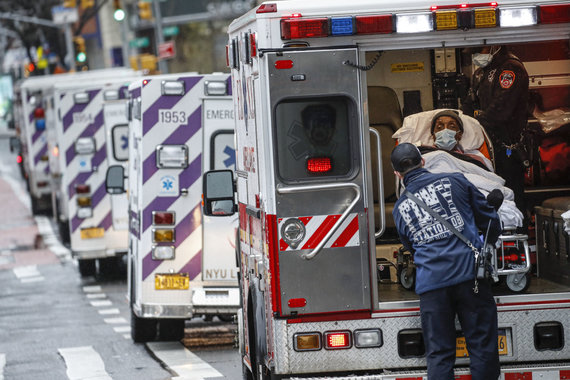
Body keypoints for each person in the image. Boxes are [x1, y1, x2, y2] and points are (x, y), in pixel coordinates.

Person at [391, 143, 502, 380]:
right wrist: (487, 245)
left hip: (432, 286)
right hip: (470, 276)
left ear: (397, 174)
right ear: (422, 162)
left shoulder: (400, 208)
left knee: (439, 354)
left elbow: (410, 246)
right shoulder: (456, 181)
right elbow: (489, 219)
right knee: (482, 347)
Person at [461, 45, 529, 228]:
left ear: (492, 47)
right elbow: (468, 105)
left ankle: (515, 240)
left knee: (511, 195)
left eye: (478, 51)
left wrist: (475, 120)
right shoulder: (481, 73)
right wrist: (461, 122)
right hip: (485, 147)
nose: (476, 56)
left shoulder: (510, 69)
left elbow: (500, 111)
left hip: (507, 147)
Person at [421, 109, 493, 171]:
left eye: (452, 127)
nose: (445, 130)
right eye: (439, 127)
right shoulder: (421, 155)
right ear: (433, 135)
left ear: (459, 135)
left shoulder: (474, 160)